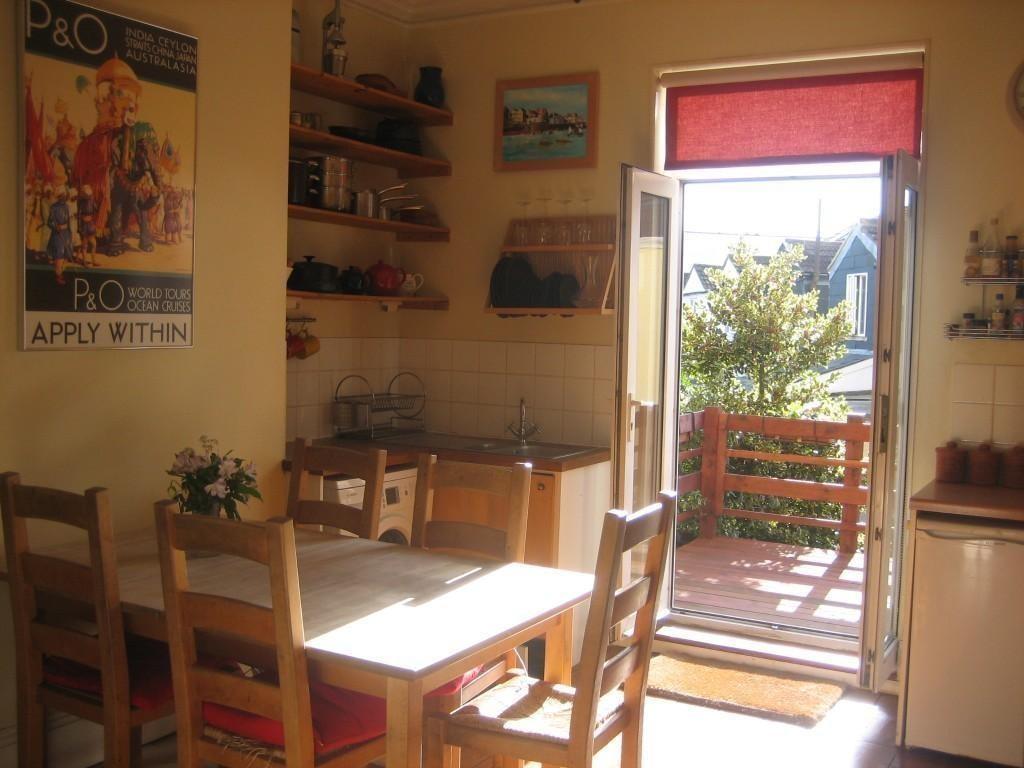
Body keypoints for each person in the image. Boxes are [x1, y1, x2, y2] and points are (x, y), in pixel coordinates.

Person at [47, 186, 74, 285]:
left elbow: (69, 221)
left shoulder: (67, 207)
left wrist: (71, 232)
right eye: (62, 196)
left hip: (66, 233)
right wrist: (55, 226)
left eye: (64, 195)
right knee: (59, 254)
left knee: (67, 253)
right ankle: (58, 275)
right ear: (59, 196)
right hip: (57, 234)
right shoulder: (53, 208)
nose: (63, 197)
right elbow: (49, 222)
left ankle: (62, 272)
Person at [77, 184, 98, 266]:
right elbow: (79, 215)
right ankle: (84, 261)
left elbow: (95, 209)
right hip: (84, 224)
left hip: (90, 223)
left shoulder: (92, 200)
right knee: (84, 244)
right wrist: (79, 227)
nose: (88, 196)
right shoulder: (81, 202)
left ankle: (93, 260)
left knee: (94, 243)